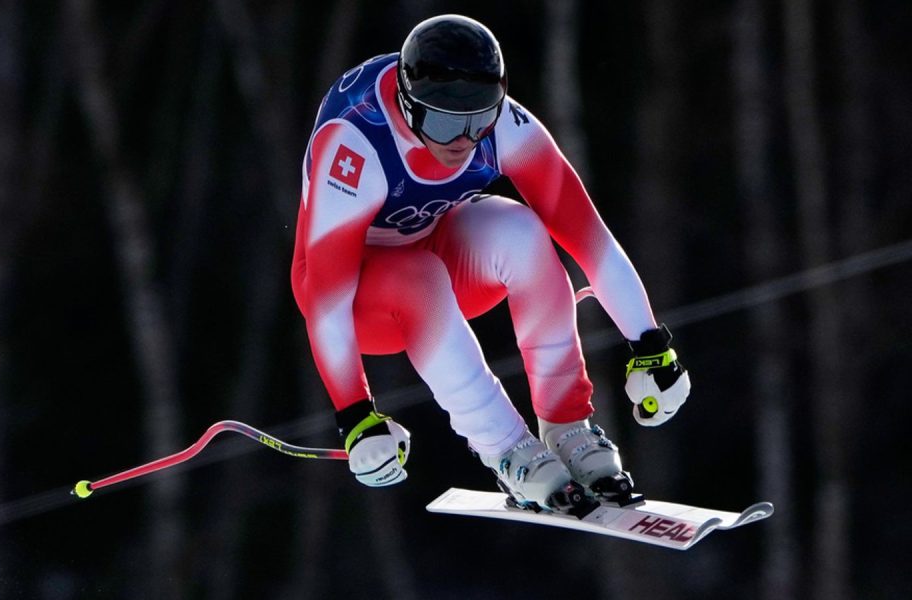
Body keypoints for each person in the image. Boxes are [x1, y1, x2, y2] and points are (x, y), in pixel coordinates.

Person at [291, 14, 691, 511]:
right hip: (356, 304)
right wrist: (356, 417)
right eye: (444, 123)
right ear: (408, 106)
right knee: (418, 278)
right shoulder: (355, 145)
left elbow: (592, 240)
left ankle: (569, 427)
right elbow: (328, 303)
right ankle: (507, 451)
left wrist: (651, 345)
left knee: (523, 230)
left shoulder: (504, 124)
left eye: (478, 121)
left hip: (431, 247)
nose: (462, 140)